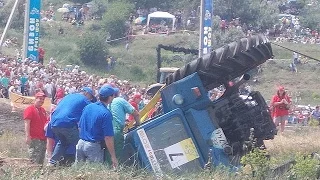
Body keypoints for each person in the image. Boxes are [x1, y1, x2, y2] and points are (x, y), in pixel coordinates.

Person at [48, 87, 94, 166]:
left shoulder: (68, 96)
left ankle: (52, 163)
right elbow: (92, 110)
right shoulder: (84, 99)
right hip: (67, 123)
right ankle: (80, 165)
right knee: (79, 143)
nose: (91, 99)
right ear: (87, 93)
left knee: (62, 142)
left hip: (54, 122)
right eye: (91, 97)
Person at [75, 85, 118, 167]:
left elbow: (79, 126)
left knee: (78, 173)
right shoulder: (106, 113)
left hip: (80, 143)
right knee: (94, 174)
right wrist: (113, 156)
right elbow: (108, 137)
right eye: (113, 95)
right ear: (110, 97)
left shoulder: (88, 107)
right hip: (93, 146)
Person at [108, 86, 140, 162]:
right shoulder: (120, 100)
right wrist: (138, 124)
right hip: (116, 131)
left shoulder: (107, 103)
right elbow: (136, 114)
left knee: (108, 153)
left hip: (106, 130)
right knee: (117, 154)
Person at [23, 91, 48, 164]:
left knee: (41, 158)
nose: (41, 101)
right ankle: (32, 173)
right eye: (40, 99)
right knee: (34, 158)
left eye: (43, 99)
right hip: (34, 138)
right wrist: (27, 136)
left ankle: (39, 173)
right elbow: (27, 123)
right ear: (35, 99)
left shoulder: (42, 110)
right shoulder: (29, 109)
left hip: (43, 138)